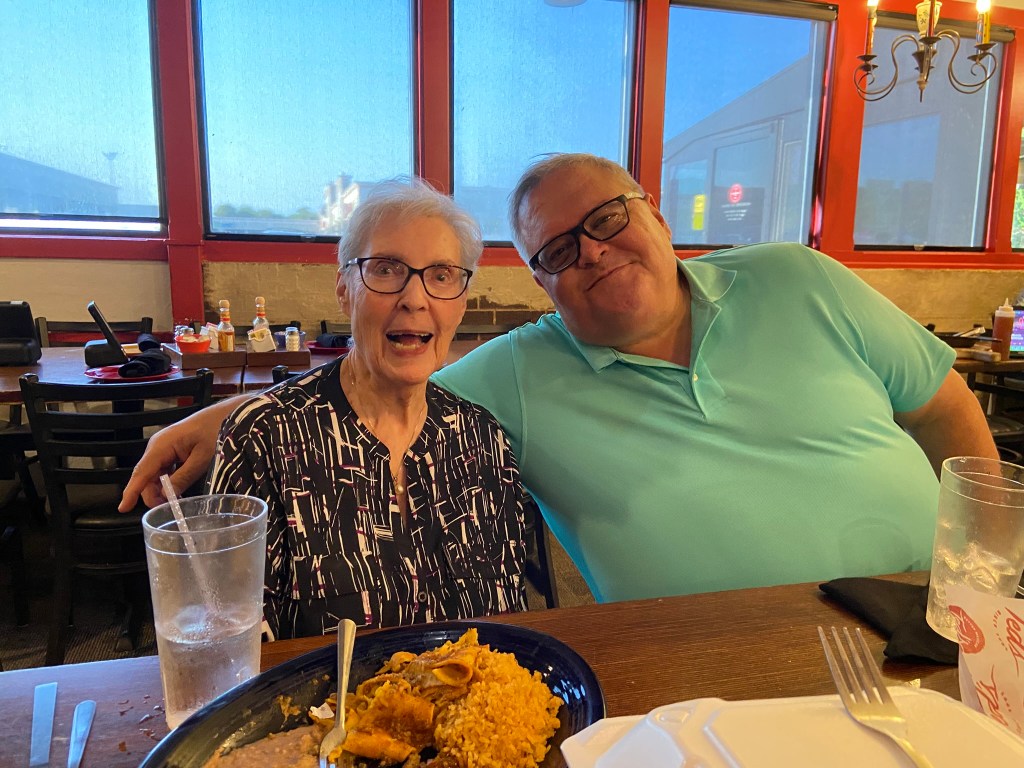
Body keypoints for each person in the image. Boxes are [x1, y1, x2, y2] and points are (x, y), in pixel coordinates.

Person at [122, 154, 996, 605]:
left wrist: (984, 570)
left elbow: (945, 408)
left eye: (609, 219)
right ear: (542, 283)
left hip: (932, 602)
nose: (595, 253)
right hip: (708, 665)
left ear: (655, 212)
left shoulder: (797, 278)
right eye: (560, 250)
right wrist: (235, 414)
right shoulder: (523, 372)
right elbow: (389, 379)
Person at [205, 179, 527, 639]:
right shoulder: (263, 438)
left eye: (441, 275)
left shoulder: (483, 440)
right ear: (344, 289)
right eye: (386, 269)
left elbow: (511, 623)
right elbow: (233, 641)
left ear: (461, 303)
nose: (414, 298)